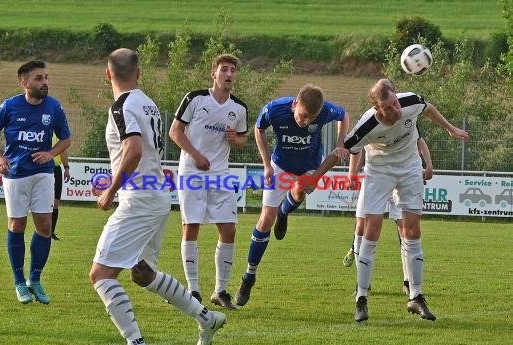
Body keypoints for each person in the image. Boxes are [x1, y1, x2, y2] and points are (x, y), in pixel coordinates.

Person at [89, 48, 226, 345]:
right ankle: (205, 317)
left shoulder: (122, 106)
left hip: (138, 199)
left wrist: (110, 191)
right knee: (142, 273)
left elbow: (133, 150)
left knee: (101, 275)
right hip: (156, 196)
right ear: (139, 74)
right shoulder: (146, 102)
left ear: (108, 74)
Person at [303, 78, 468, 322]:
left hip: (410, 167)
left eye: (395, 103)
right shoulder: (366, 125)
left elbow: (428, 108)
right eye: (389, 107)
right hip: (379, 172)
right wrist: (315, 178)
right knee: (372, 230)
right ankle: (361, 298)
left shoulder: (409, 101)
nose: (396, 110)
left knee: (412, 229)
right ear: (378, 109)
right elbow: (341, 152)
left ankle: (416, 296)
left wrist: (450, 128)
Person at [234, 83, 350, 307]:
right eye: (303, 116)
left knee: (300, 192)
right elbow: (258, 129)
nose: (305, 122)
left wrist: (340, 143)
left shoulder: (325, 111)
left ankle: (285, 212)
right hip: (281, 165)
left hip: (309, 166)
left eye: (311, 119)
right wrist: (266, 165)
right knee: (266, 219)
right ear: (295, 104)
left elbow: (344, 115)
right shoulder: (275, 109)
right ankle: (249, 276)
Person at [0, 60, 72, 305]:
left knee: (45, 227)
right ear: (25, 83)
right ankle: (19, 281)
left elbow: (66, 138)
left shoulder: (53, 107)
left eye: (46, 77)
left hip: (43, 173)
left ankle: (35, 278)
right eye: (39, 79)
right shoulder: (10, 106)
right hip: (15, 173)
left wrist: (51, 154)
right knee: (17, 225)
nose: (45, 83)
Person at [169, 54, 248, 309]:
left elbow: (243, 141)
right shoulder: (195, 98)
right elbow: (175, 132)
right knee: (191, 227)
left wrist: (235, 138)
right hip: (192, 170)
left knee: (229, 229)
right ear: (213, 73)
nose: (229, 73)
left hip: (221, 174)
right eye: (224, 69)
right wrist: (196, 155)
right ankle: (193, 291)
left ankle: (220, 290)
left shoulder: (239, 108)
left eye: (233, 70)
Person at [344, 136, 433, 297]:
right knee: (362, 227)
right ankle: (363, 284)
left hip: (402, 179)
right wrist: (352, 173)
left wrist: (428, 164)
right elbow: (356, 147)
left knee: (405, 230)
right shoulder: (370, 121)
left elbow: (419, 140)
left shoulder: (406, 117)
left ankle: (409, 282)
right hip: (377, 179)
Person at [51, 135, 70, 240]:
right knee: (45, 202)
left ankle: (51, 232)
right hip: (44, 168)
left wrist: (66, 168)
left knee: (55, 202)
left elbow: (63, 151)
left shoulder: (58, 134)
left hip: (56, 169)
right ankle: (43, 230)